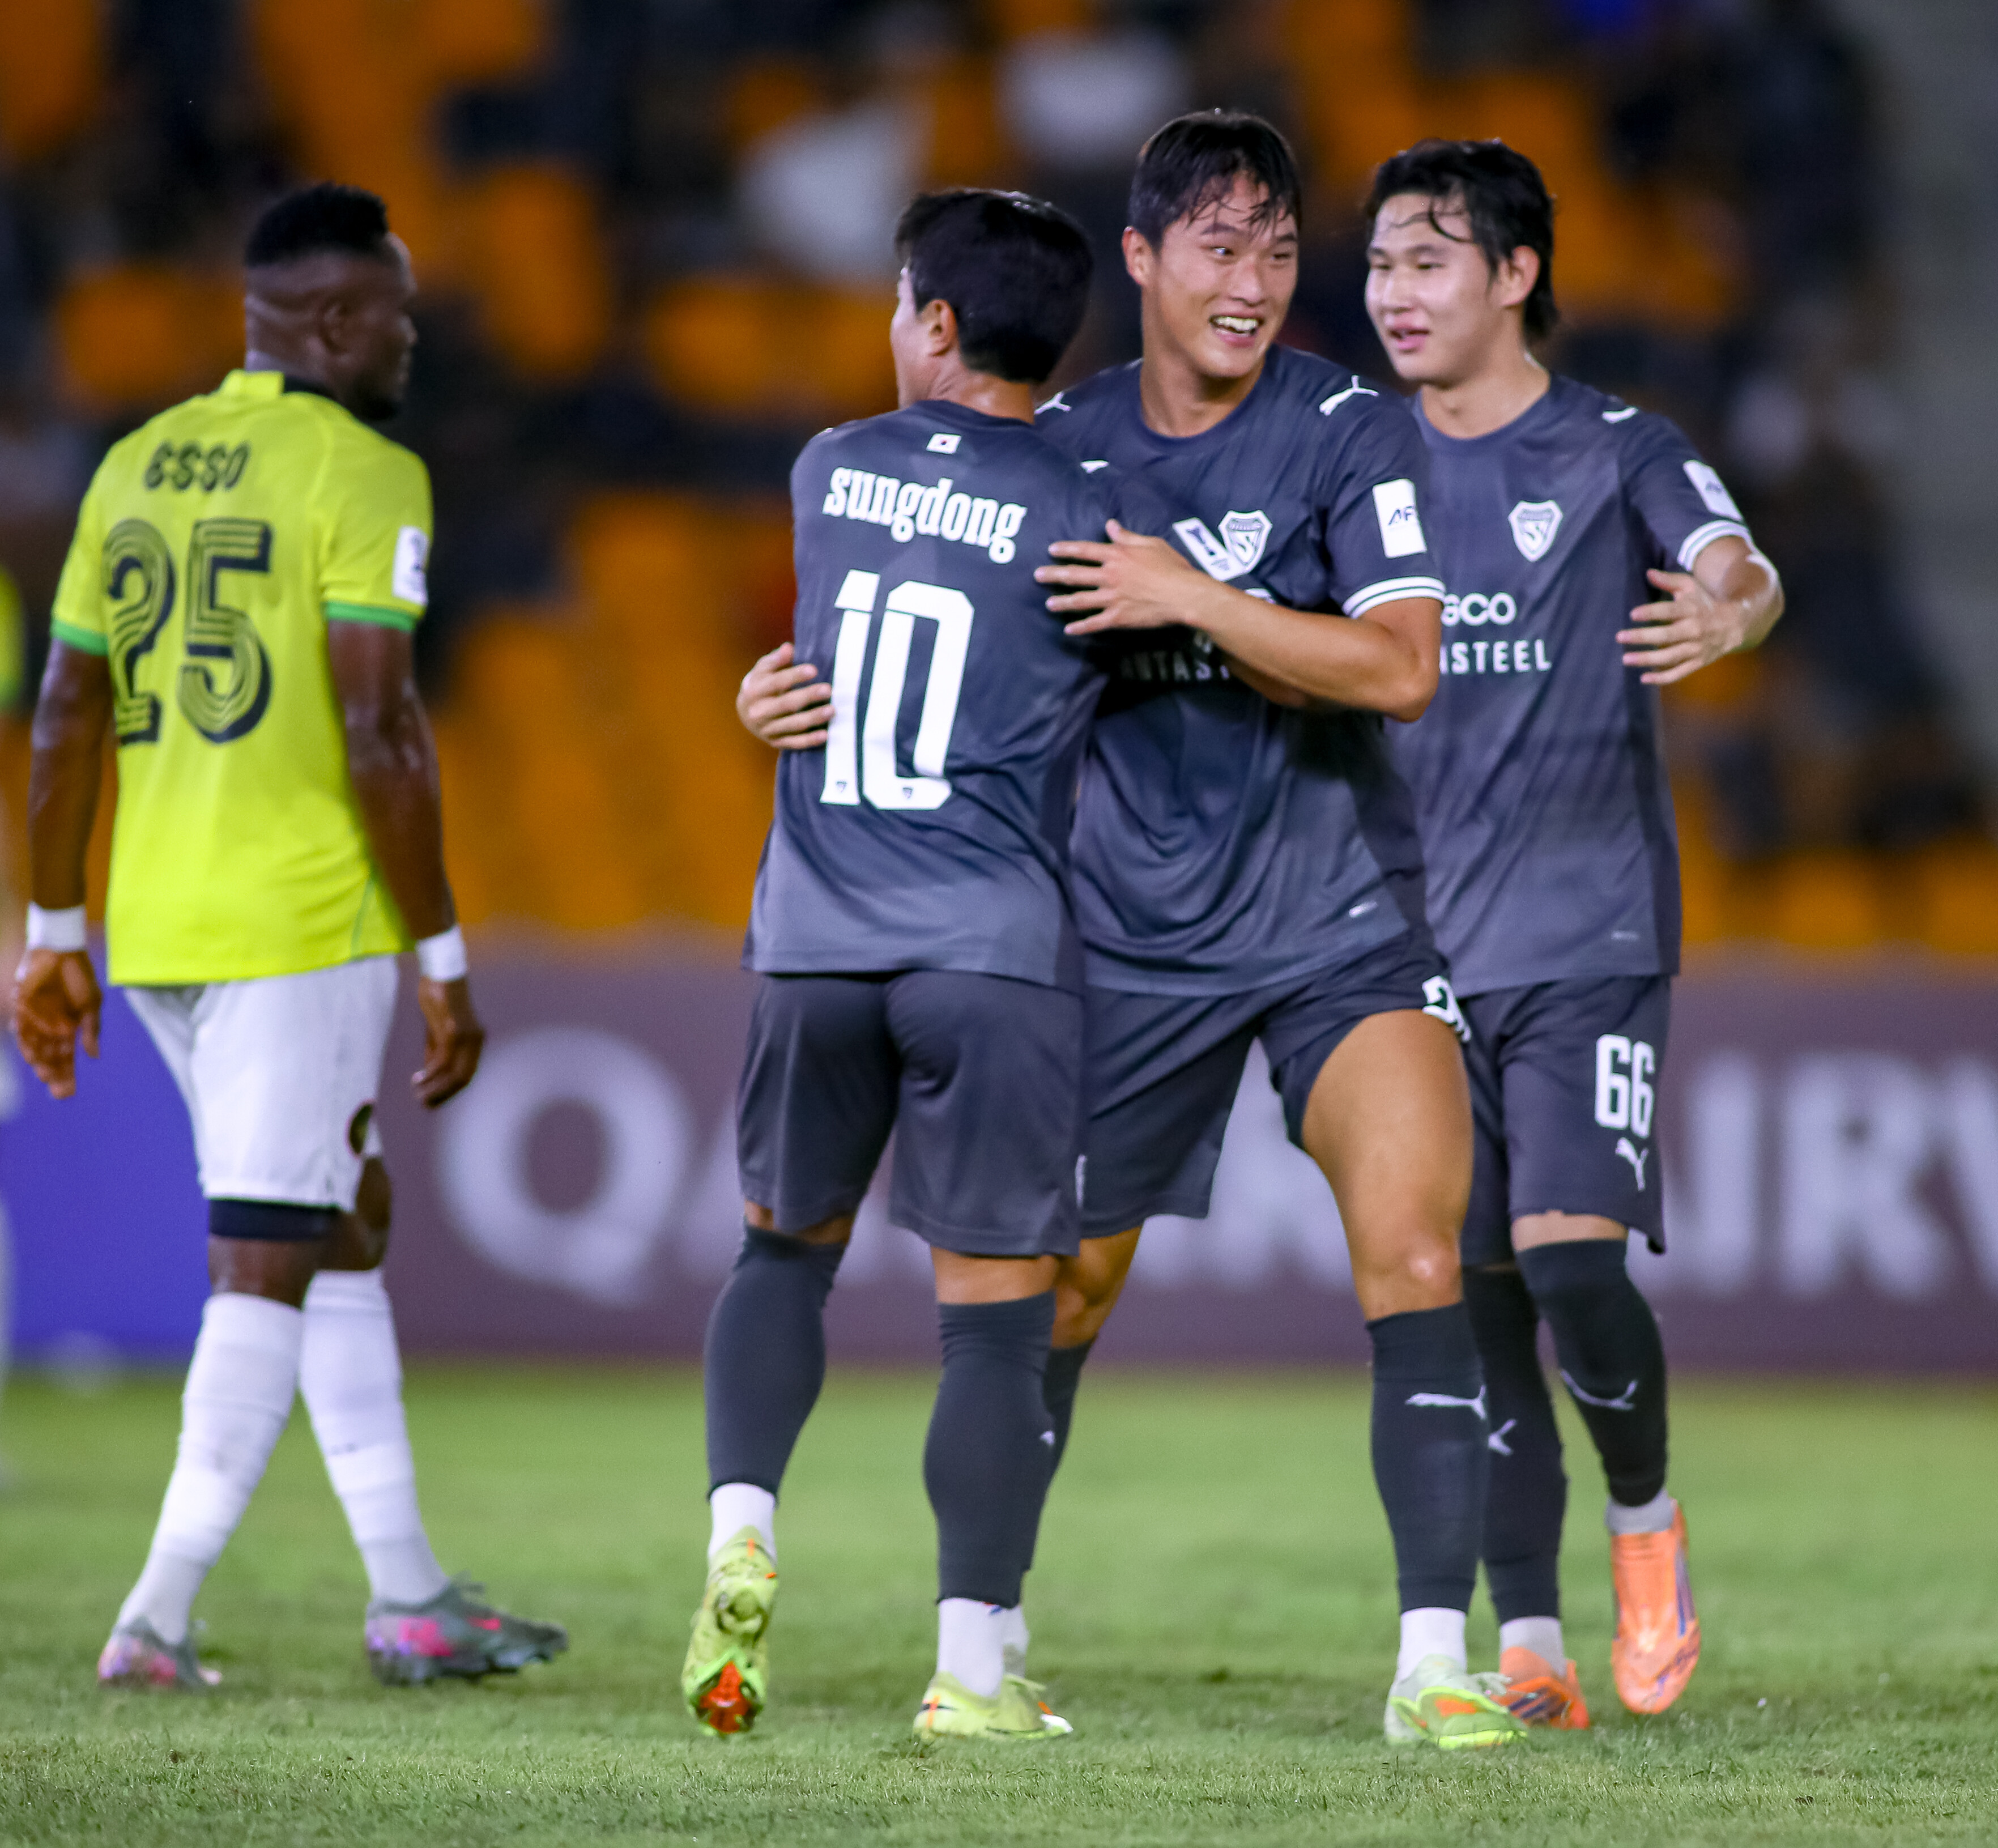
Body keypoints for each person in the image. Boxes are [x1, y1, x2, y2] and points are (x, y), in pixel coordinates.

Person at [737, 111, 1523, 1748]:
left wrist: (1199, 599)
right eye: (1222, 247)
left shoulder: (1348, 433)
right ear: (1145, 259)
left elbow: (1400, 669)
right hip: (1121, 938)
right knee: (1062, 1299)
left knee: (1416, 1251)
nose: (1256, 283)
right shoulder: (1060, 448)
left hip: (1340, 923)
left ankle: (1432, 1664)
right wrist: (784, 702)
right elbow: (933, 664)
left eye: (1280, 252)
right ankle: (988, 1641)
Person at [11, 182, 563, 1691]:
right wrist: (442, 958)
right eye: (394, 311)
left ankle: (411, 1596)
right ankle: (155, 1618)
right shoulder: (363, 472)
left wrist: (53, 930)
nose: (411, 334)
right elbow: (382, 728)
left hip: (160, 923)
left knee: (342, 1220)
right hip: (297, 921)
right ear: (331, 320)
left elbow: (63, 711)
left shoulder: (135, 461)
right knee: (264, 1258)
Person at [682, 188, 1156, 1743]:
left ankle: (741, 1526)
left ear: (937, 325)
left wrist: (759, 704)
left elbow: (829, 654)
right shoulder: (1090, 513)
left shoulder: (829, 467)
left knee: (778, 1259)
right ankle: (969, 1671)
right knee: (995, 1327)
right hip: (992, 951)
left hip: (814, 939)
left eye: (901, 300)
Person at [1360, 138, 1784, 1726]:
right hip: (1409, 950)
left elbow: (1738, 563)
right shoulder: (1355, 461)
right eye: (1381, 264)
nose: (1394, 294)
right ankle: (1530, 1642)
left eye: (1427, 262)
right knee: (1476, 1300)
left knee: (1568, 1262)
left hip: (1587, 929)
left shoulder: (1617, 450)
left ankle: (1645, 1515)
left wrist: (1731, 605)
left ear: (1515, 273)